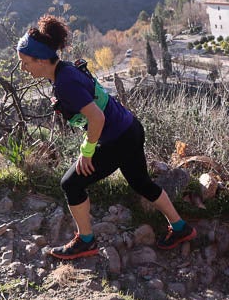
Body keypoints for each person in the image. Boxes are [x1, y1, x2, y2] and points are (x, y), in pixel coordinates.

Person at [17, 15, 196, 259]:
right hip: (130, 128)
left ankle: (86, 241)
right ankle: (180, 228)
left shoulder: (65, 83)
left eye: (25, 62)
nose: (23, 68)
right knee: (141, 182)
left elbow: (97, 118)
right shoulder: (65, 70)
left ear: (41, 60)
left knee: (70, 184)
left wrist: (87, 151)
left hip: (117, 138)